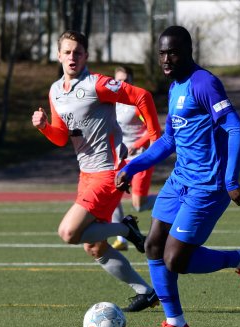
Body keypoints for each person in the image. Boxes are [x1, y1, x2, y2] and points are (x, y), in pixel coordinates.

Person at [115, 25, 240, 327]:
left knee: (175, 259)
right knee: (153, 245)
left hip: (208, 186)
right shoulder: (175, 86)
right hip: (179, 180)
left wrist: (231, 180)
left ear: (188, 52)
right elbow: (170, 139)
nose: (166, 59)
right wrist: (133, 165)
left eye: (173, 53)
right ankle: (176, 325)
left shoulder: (204, 83)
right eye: (162, 54)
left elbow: (238, 130)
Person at [31, 30, 161, 312]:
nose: (72, 57)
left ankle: (125, 228)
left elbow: (142, 96)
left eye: (78, 52)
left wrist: (155, 138)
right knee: (94, 247)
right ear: (58, 55)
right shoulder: (55, 91)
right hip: (85, 174)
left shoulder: (97, 84)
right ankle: (147, 292)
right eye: (67, 52)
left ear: (86, 56)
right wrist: (43, 127)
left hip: (109, 173)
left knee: (68, 232)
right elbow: (62, 137)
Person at [111, 65, 160, 251]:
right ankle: (121, 239)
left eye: (126, 80)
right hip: (120, 159)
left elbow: (153, 131)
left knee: (139, 206)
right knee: (112, 196)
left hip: (140, 158)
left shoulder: (137, 102)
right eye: (118, 81)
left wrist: (136, 145)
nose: (122, 84)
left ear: (132, 81)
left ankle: (176, 196)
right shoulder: (111, 102)